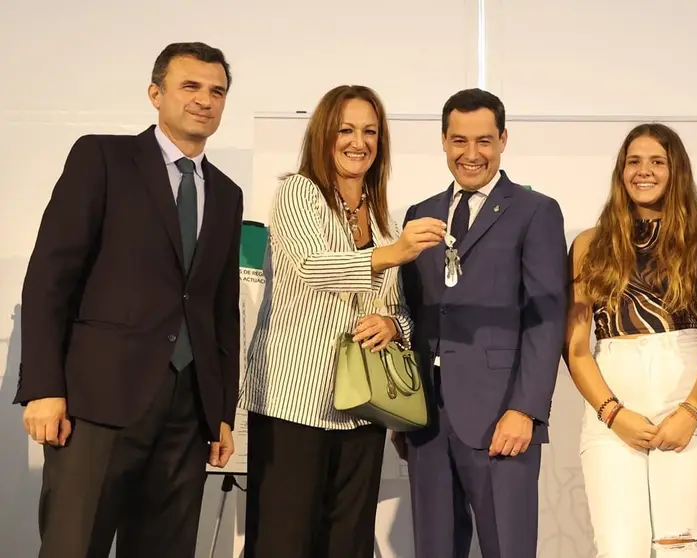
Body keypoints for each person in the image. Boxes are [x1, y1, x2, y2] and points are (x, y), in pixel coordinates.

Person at [13, 42, 241, 558]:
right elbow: (50, 275)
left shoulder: (226, 193)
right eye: (190, 86)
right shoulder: (103, 157)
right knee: (75, 545)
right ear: (155, 93)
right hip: (96, 405)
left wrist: (221, 409)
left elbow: (221, 309)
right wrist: (44, 387)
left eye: (216, 91)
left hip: (187, 413)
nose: (205, 100)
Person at [238, 85, 445, 558]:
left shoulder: (386, 221)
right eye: (346, 129)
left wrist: (395, 326)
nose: (359, 142)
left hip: (363, 409)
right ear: (324, 135)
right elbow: (316, 265)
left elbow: (403, 312)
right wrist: (393, 254)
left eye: (370, 131)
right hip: (293, 404)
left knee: (348, 544)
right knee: (282, 542)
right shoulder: (298, 192)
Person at [565, 123, 697, 557]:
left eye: (657, 162)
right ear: (620, 170)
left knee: (677, 549)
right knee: (618, 549)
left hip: (688, 408)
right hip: (611, 411)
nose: (643, 171)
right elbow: (576, 348)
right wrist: (612, 414)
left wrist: (691, 411)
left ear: (677, 171)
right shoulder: (589, 245)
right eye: (634, 161)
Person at [396, 88, 568, 558]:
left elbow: (545, 318)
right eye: (459, 141)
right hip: (427, 417)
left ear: (503, 139)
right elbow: (412, 311)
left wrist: (526, 409)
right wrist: (401, 413)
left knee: (506, 547)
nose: (471, 155)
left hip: (500, 416)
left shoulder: (536, 211)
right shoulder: (420, 214)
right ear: (444, 142)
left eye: (484, 141)